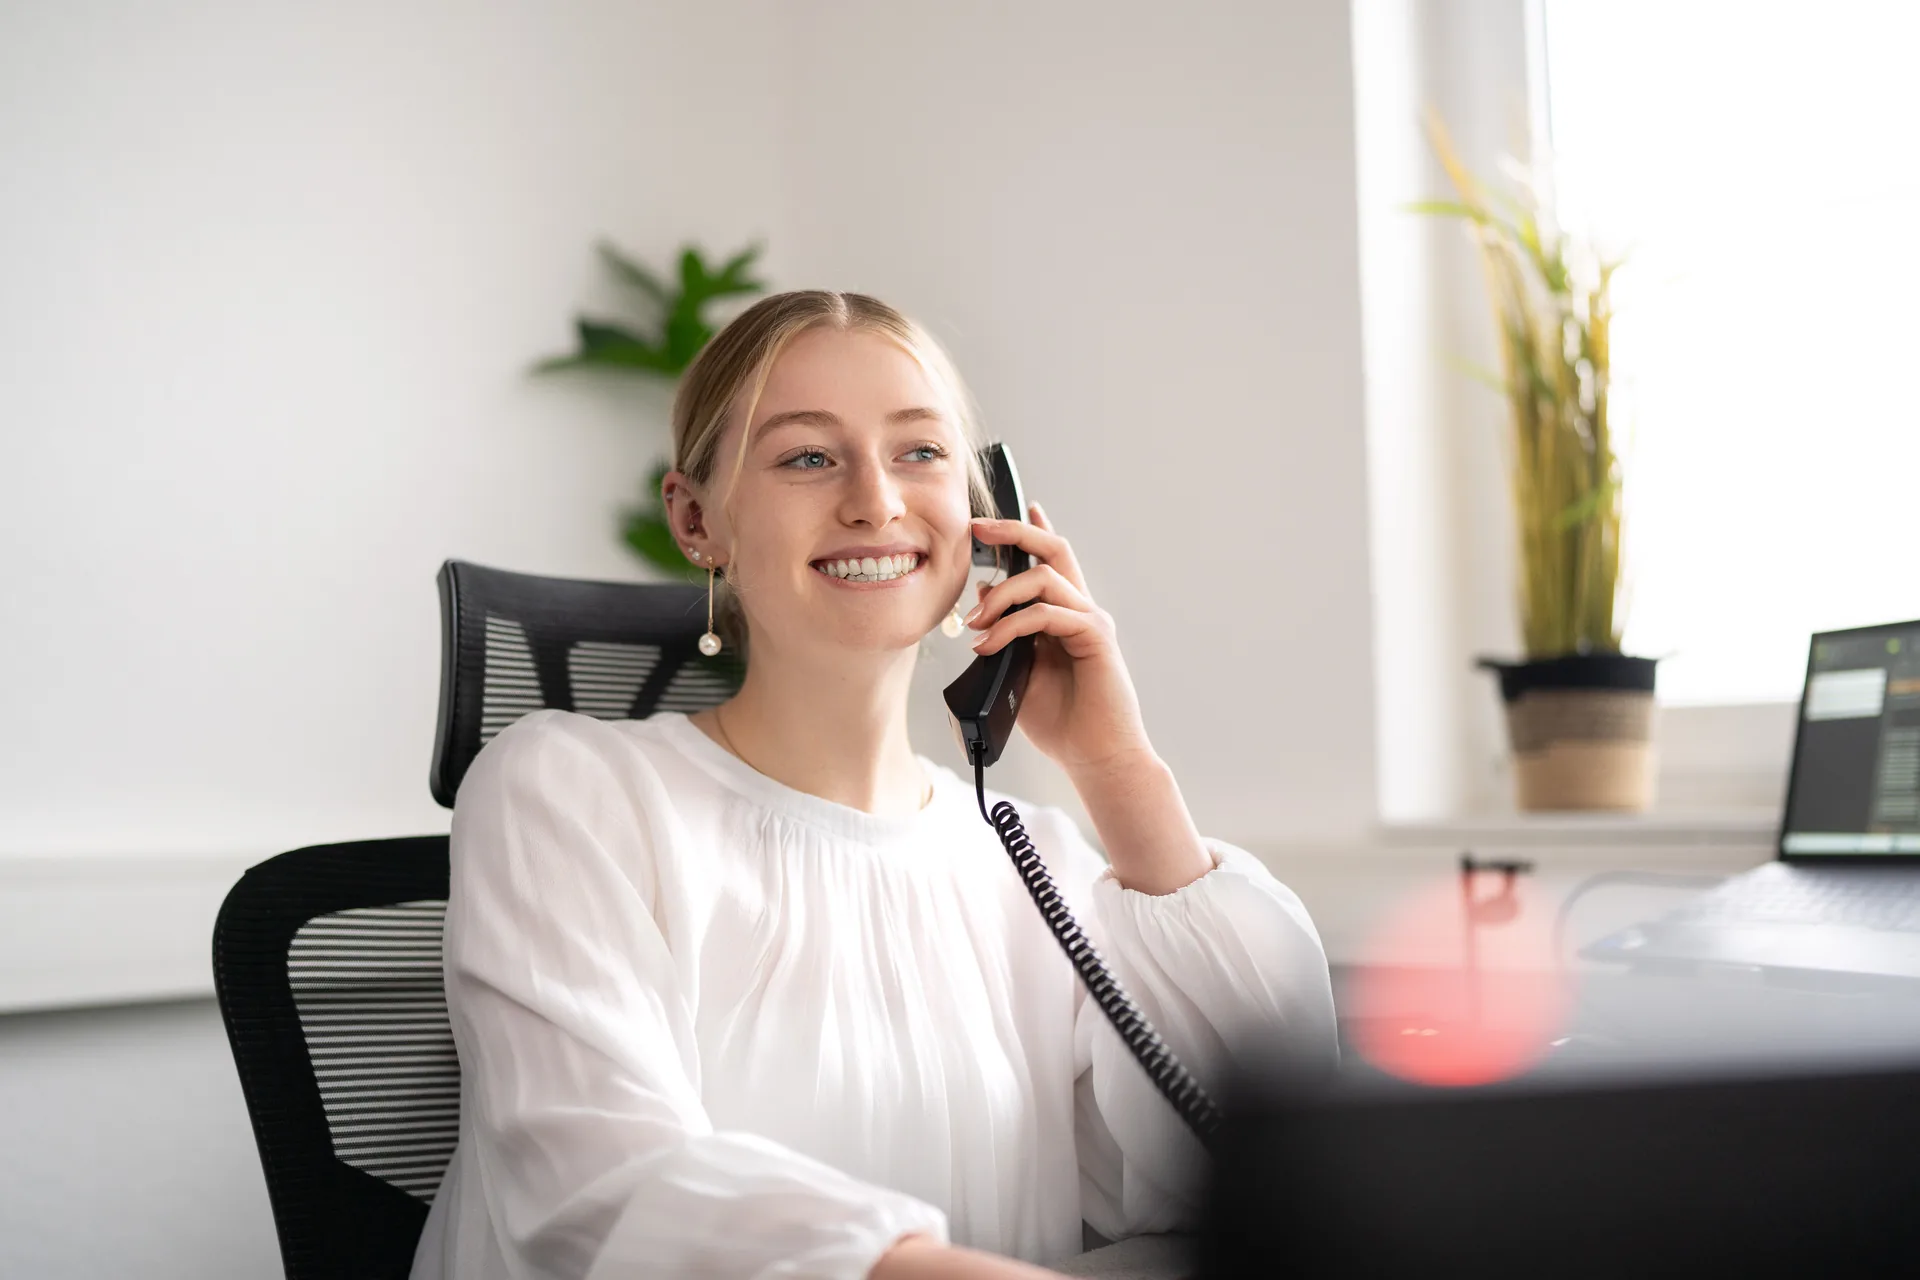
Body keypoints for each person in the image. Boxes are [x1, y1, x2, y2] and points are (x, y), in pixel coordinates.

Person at [409, 291, 1337, 1280]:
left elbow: (1258, 1171)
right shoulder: (566, 794)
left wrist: (1119, 769)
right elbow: (602, 1192)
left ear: (990, 519)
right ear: (696, 518)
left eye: (921, 451)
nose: (876, 500)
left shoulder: (1032, 855)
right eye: (808, 455)